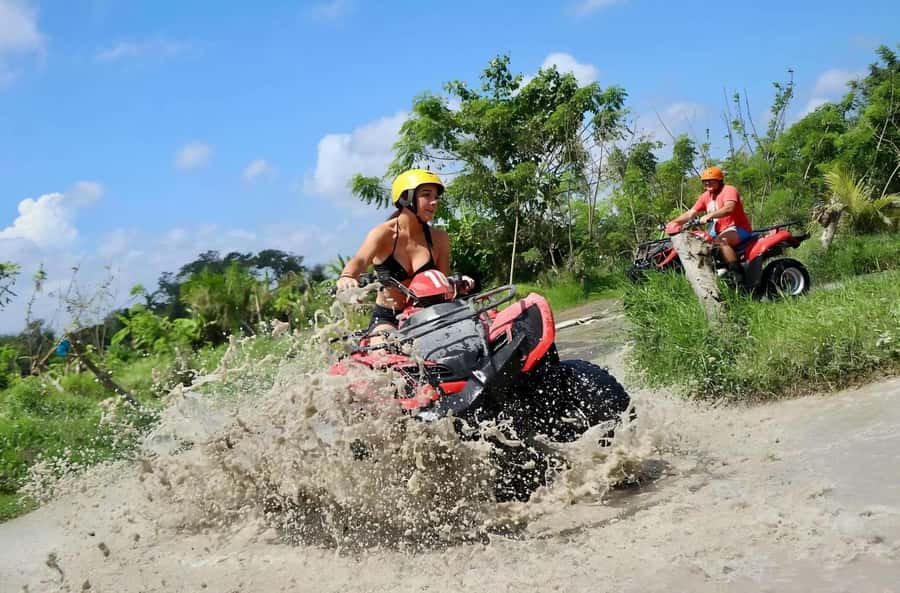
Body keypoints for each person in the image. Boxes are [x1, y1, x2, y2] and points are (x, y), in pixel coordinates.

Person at [336, 169, 471, 339]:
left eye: (436, 197)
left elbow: (443, 285)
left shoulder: (440, 238)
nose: (434, 202)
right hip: (388, 319)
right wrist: (347, 276)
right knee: (388, 348)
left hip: (427, 316)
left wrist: (459, 283)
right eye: (426, 195)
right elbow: (360, 260)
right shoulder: (383, 234)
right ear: (406, 198)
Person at [667, 166, 752, 283]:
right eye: (705, 181)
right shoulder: (706, 196)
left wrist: (710, 215)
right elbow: (691, 212)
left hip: (738, 228)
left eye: (711, 180)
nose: (707, 183)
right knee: (699, 243)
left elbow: (729, 208)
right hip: (718, 230)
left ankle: (736, 273)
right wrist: (674, 222)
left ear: (719, 180)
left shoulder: (729, 190)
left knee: (721, 241)